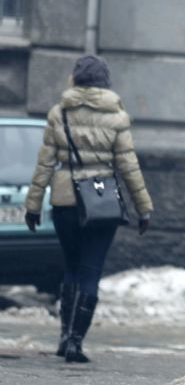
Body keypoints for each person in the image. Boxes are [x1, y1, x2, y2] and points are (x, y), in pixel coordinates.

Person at [24, 55, 153, 363]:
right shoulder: (117, 116)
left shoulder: (59, 113)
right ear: (104, 82)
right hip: (101, 201)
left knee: (71, 267)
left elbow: (45, 163)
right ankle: (76, 343)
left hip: (65, 200)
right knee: (91, 270)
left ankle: (64, 337)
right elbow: (128, 165)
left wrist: (33, 204)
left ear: (75, 79)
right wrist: (143, 207)